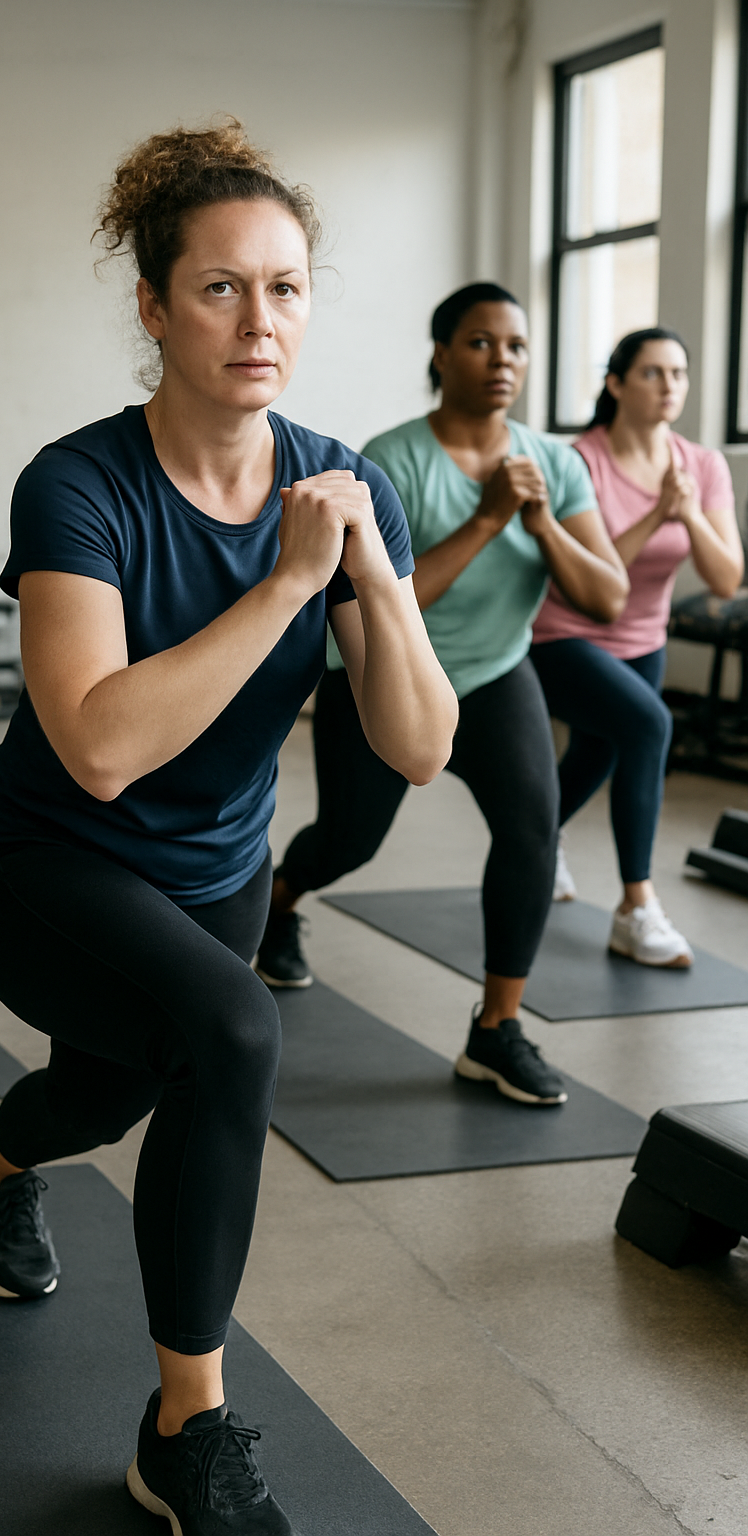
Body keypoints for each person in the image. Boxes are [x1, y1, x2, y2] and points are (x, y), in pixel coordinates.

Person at [0, 121, 457, 1535]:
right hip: (40, 867)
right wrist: (292, 586)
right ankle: (188, 1425)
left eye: (285, 287)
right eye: (220, 287)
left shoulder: (341, 482)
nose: (258, 319)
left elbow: (417, 745)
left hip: (213, 880)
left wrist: (379, 578)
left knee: (111, 1093)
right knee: (231, 1033)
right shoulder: (80, 484)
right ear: (156, 304)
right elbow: (98, 746)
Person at [256, 282, 630, 1105]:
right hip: (379, 674)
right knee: (351, 841)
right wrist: (491, 518)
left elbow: (606, 596)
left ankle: (497, 1028)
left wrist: (544, 525)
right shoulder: (388, 460)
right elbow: (386, 602)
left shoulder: (554, 463)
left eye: (518, 346)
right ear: (441, 353)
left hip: (496, 672)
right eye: (481, 343)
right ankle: (280, 900)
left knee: (532, 827)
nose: (503, 361)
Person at [531, 328, 743, 965]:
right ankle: (636, 906)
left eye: (678, 374)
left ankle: (539, 842)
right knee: (649, 725)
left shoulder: (702, 466)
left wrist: (689, 513)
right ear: (617, 384)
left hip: (644, 642)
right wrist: (656, 515)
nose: (669, 386)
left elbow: (726, 579)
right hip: (563, 634)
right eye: (653, 373)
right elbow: (594, 578)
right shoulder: (580, 461)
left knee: (598, 751)